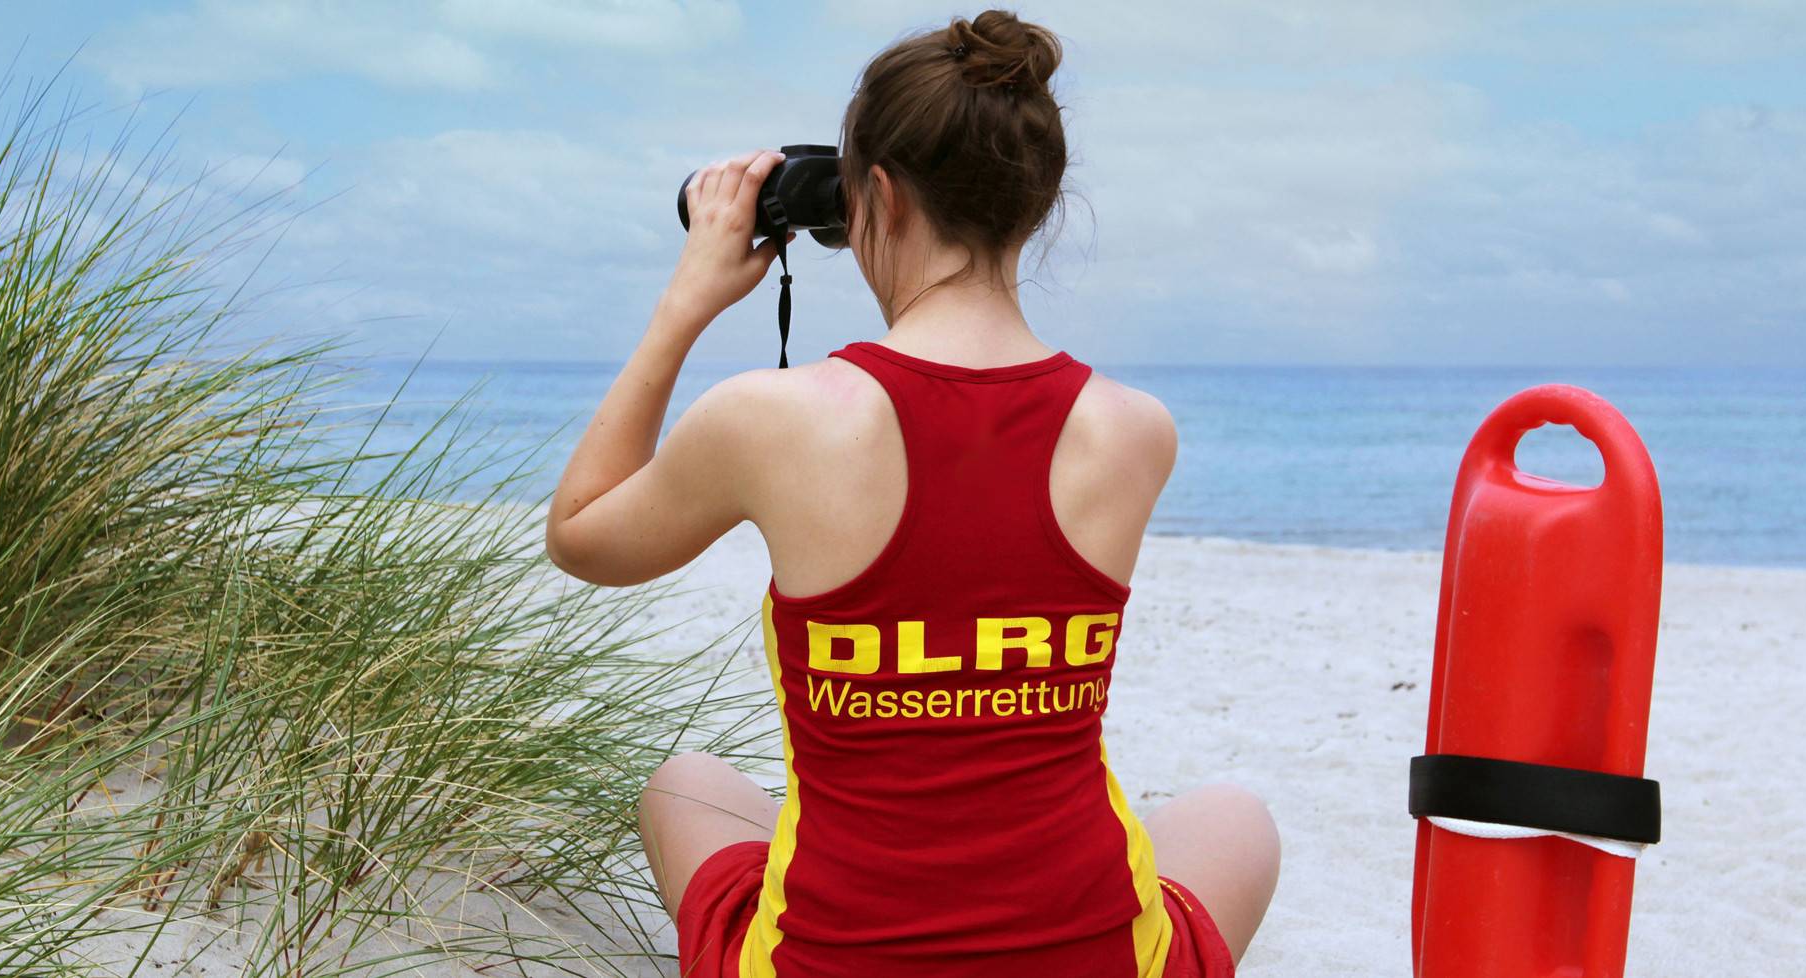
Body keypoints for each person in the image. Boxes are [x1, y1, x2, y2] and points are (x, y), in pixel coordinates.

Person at [546, 10, 1280, 977]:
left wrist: (687, 300)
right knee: (1235, 816)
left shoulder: (772, 418)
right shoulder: (1135, 431)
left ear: (878, 198)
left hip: (827, 959)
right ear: (1037, 207)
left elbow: (581, 536)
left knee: (685, 784)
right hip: (1089, 955)